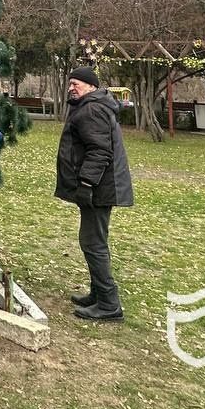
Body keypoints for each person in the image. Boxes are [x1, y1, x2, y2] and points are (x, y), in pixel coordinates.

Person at [55, 66, 135, 321]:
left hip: (99, 188)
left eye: (76, 83)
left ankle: (110, 304)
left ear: (91, 86)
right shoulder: (90, 106)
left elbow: (100, 151)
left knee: (93, 243)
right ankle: (99, 293)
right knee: (93, 241)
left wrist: (87, 184)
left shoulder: (92, 109)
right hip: (99, 187)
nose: (71, 87)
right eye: (70, 83)